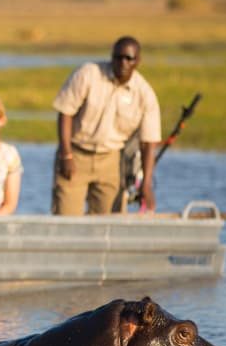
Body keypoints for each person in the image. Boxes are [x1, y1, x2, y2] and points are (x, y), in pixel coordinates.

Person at [52, 35, 161, 215]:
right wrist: (66, 155)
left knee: (110, 223)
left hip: (111, 160)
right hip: (76, 153)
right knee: (66, 219)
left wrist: (146, 185)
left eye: (129, 58)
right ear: (111, 57)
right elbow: (65, 112)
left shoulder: (144, 93)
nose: (123, 63)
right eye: (118, 57)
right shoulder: (88, 74)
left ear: (138, 61)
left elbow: (149, 143)